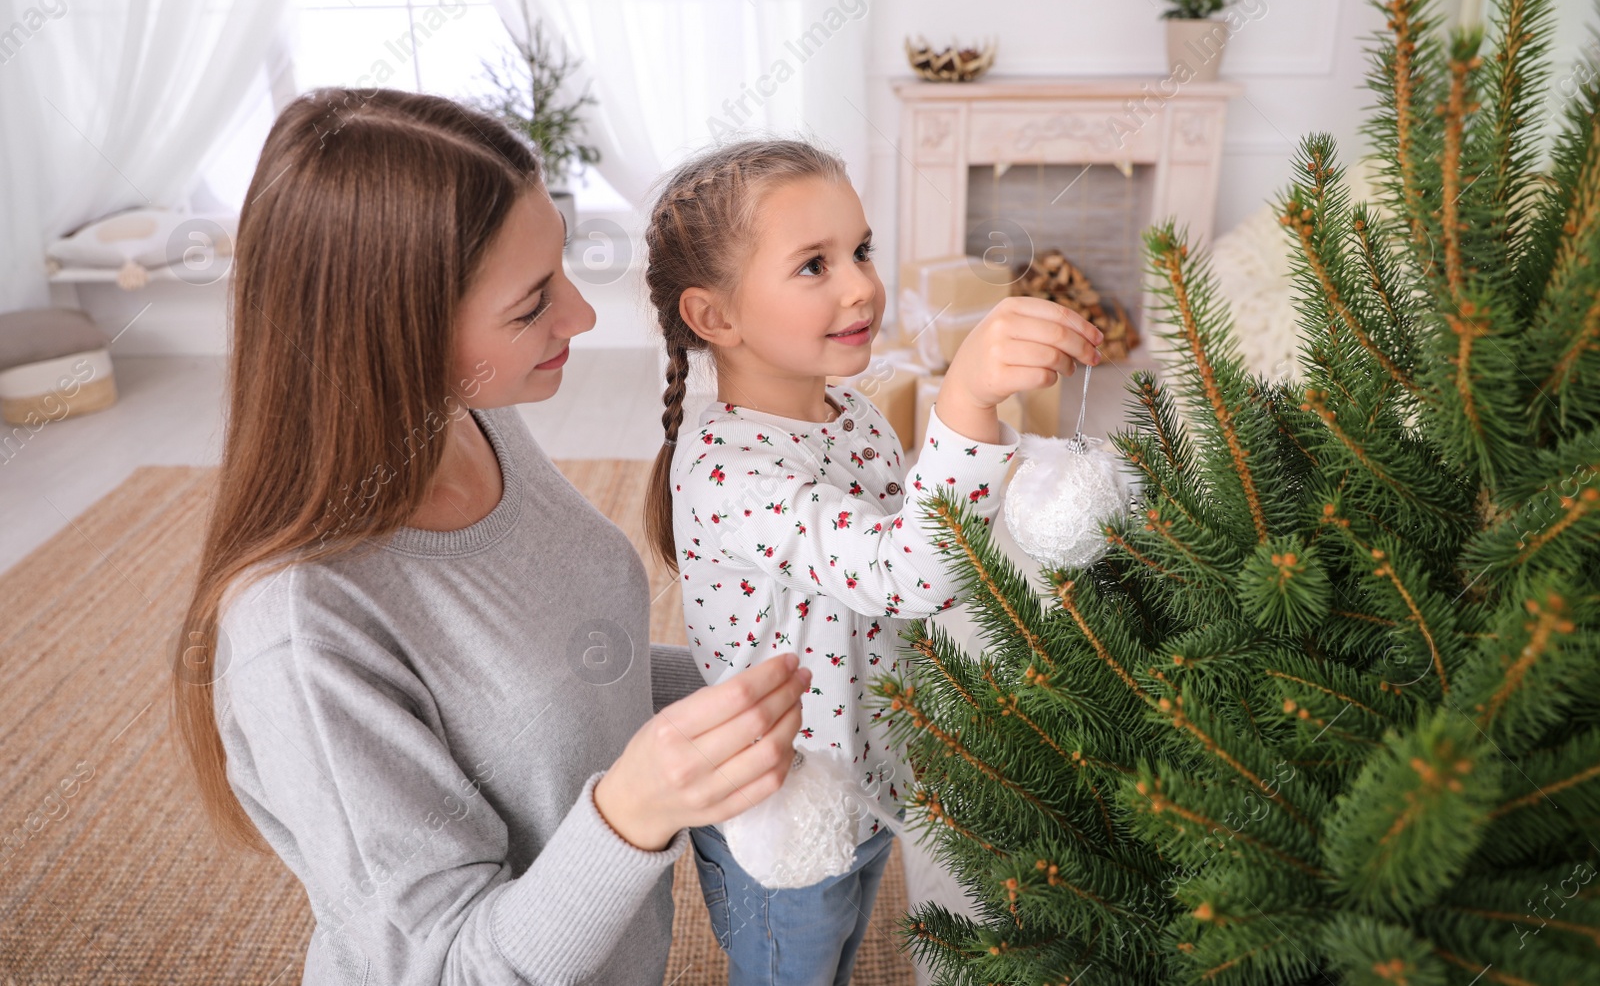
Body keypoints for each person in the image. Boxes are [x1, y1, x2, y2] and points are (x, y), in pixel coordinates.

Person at [172, 89, 812, 986]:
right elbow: (448, 969)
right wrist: (636, 805)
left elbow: (567, 678)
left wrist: (791, 678)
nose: (582, 317)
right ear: (393, 337)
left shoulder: (469, 418)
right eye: (531, 305)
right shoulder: (300, 634)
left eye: (561, 266)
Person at [640, 138, 1104, 985]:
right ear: (715, 318)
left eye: (859, 251)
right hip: (782, 809)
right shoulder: (726, 469)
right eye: (813, 265)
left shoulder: (851, 412)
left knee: (841, 952)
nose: (859, 284)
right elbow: (904, 572)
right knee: (794, 964)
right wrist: (964, 399)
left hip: (872, 771)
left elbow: (921, 533)